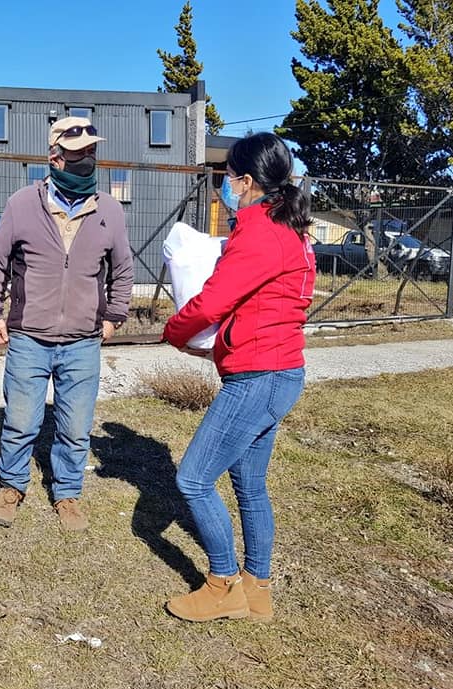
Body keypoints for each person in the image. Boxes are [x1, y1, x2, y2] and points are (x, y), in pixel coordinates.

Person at [161, 132, 315, 623]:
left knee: (193, 479)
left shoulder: (260, 231)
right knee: (249, 484)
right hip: (278, 370)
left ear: (246, 181)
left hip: (258, 375)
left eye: (227, 177)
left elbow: (213, 300)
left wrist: (174, 332)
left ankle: (223, 584)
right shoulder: (287, 228)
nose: (223, 186)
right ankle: (257, 588)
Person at [0, 116, 134, 532]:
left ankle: (67, 493)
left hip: (83, 340)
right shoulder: (22, 204)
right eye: (77, 153)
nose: (87, 159)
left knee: (76, 425)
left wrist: (115, 316)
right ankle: (11, 486)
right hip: (29, 336)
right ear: (55, 158)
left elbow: (123, 269)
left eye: (91, 152)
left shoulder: (109, 210)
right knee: (20, 421)